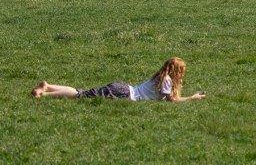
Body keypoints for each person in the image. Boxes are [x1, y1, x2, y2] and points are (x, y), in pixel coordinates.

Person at [31, 57, 207, 102]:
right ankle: (44, 94)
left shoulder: (162, 77)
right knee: (80, 95)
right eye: (181, 72)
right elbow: (172, 101)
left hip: (122, 88)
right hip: (123, 93)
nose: (182, 75)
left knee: (82, 93)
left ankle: (48, 86)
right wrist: (192, 97)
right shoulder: (167, 81)